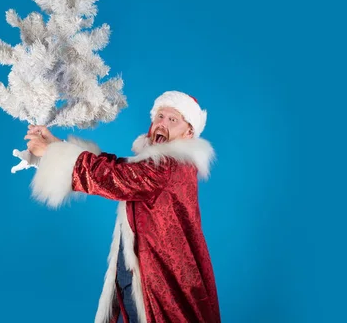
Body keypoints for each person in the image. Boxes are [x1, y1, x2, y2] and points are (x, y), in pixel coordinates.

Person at [24, 90, 221, 323]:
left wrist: (53, 153)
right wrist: (57, 145)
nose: (162, 123)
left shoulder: (168, 165)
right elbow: (119, 167)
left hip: (158, 286)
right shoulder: (158, 164)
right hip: (141, 279)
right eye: (159, 116)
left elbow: (115, 177)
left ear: (188, 133)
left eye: (173, 120)